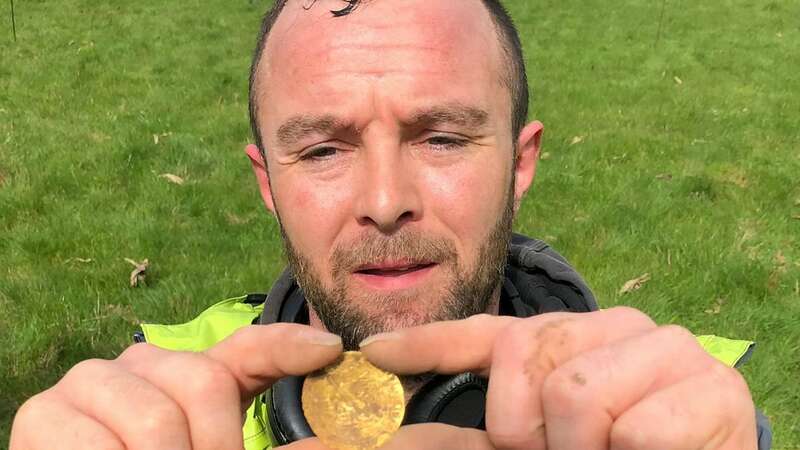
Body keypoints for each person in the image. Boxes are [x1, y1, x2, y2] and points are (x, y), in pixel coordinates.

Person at [10, 0, 771, 449]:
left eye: (441, 137)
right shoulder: (160, 397)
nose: (383, 199)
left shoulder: (675, 397)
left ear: (520, 162)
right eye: (322, 148)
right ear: (266, 182)